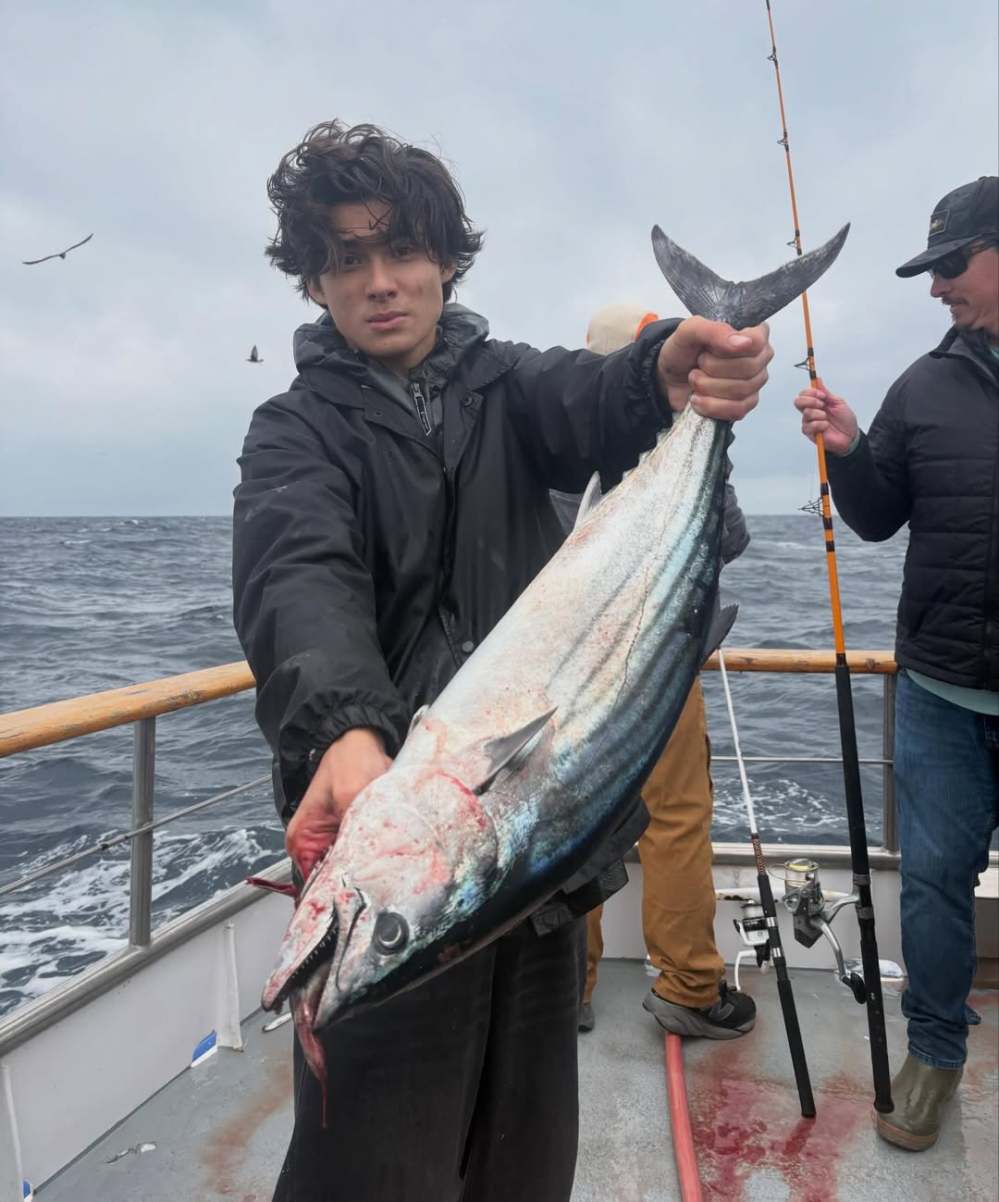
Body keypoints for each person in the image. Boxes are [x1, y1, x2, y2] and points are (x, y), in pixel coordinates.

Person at [233, 120, 774, 1202]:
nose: (381, 282)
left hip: (533, 854)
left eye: (403, 250)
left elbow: (594, 397)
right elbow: (299, 576)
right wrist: (346, 726)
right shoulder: (296, 430)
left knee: (525, 1153)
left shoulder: (506, 386)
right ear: (314, 279)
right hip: (390, 825)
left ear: (446, 258)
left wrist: (665, 367)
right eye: (347, 259)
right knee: (370, 1163)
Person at [794, 175, 998, 1152]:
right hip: (939, 691)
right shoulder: (922, 384)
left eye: (950, 265)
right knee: (931, 883)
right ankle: (934, 1053)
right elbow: (876, 515)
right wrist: (844, 449)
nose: (935, 289)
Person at [556, 304, 756, 1041]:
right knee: (673, 822)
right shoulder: (678, 434)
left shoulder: (556, 442)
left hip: (568, 679)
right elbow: (727, 542)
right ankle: (686, 987)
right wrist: (708, 451)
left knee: (568, 828)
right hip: (663, 665)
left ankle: (565, 990)